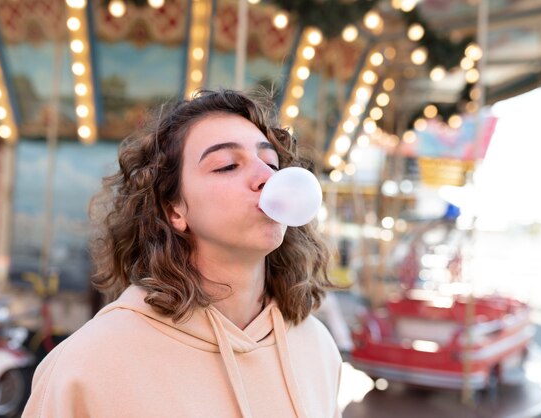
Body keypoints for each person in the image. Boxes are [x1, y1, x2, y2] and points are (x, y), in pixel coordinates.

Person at [22, 89, 342, 417]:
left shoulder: (316, 346)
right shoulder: (91, 363)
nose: (267, 178)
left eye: (271, 163)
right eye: (228, 165)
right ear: (174, 208)